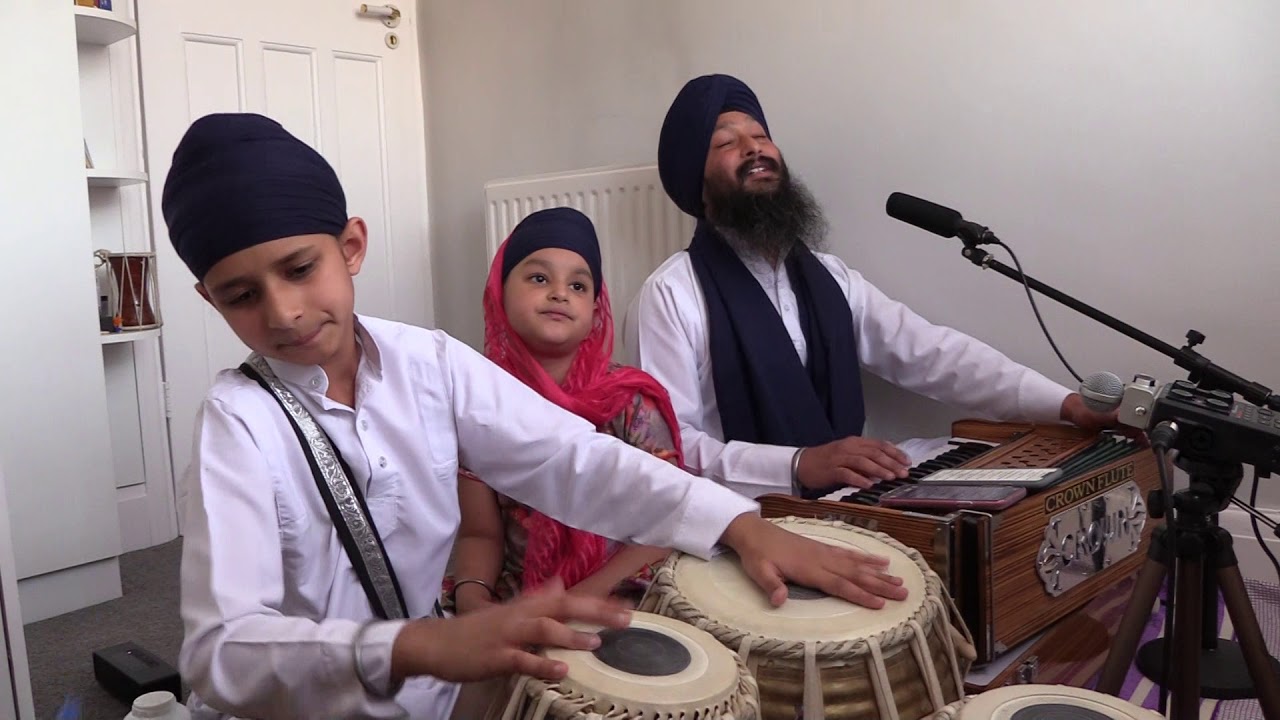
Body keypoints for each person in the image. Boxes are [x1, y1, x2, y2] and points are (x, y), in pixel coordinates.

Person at [163, 112, 908, 720]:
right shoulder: (237, 424)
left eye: (299, 269)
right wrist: (418, 647)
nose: (284, 311)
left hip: (432, 687)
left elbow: (570, 458)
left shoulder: (429, 363)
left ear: (350, 246)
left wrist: (739, 525)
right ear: (210, 301)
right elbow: (222, 650)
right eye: (241, 296)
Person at [623, 73, 1116, 501]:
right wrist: (796, 465)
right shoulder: (671, 295)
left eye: (760, 135)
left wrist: (1063, 403)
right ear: (696, 179)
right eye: (726, 142)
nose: (755, 148)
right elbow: (668, 448)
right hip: (745, 518)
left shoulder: (830, 278)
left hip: (853, 497)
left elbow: (934, 355)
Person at [447, 207, 678, 615]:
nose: (560, 293)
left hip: (625, 595)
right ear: (500, 292)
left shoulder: (630, 402)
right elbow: (481, 535)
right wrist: (473, 599)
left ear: (595, 309)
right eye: (539, 278)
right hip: (522, 600)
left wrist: (578, 601)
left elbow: (668, 522)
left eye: (578, 285)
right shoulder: (480, 402)